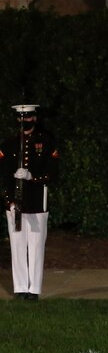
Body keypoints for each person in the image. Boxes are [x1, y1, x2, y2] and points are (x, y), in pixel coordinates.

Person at [2, 104, 59, 300]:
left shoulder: (46, 142)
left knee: (36, 246)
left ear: (34, 118)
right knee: (17, 245)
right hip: (14, 204)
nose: (24, 121)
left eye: (27, 117)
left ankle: (34, 288)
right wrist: (9, 201)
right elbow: (2, 177)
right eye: (21, 118)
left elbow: (53, 174)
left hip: (36, 203)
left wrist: (32, 176)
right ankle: (20, 287)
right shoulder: (8, 144)